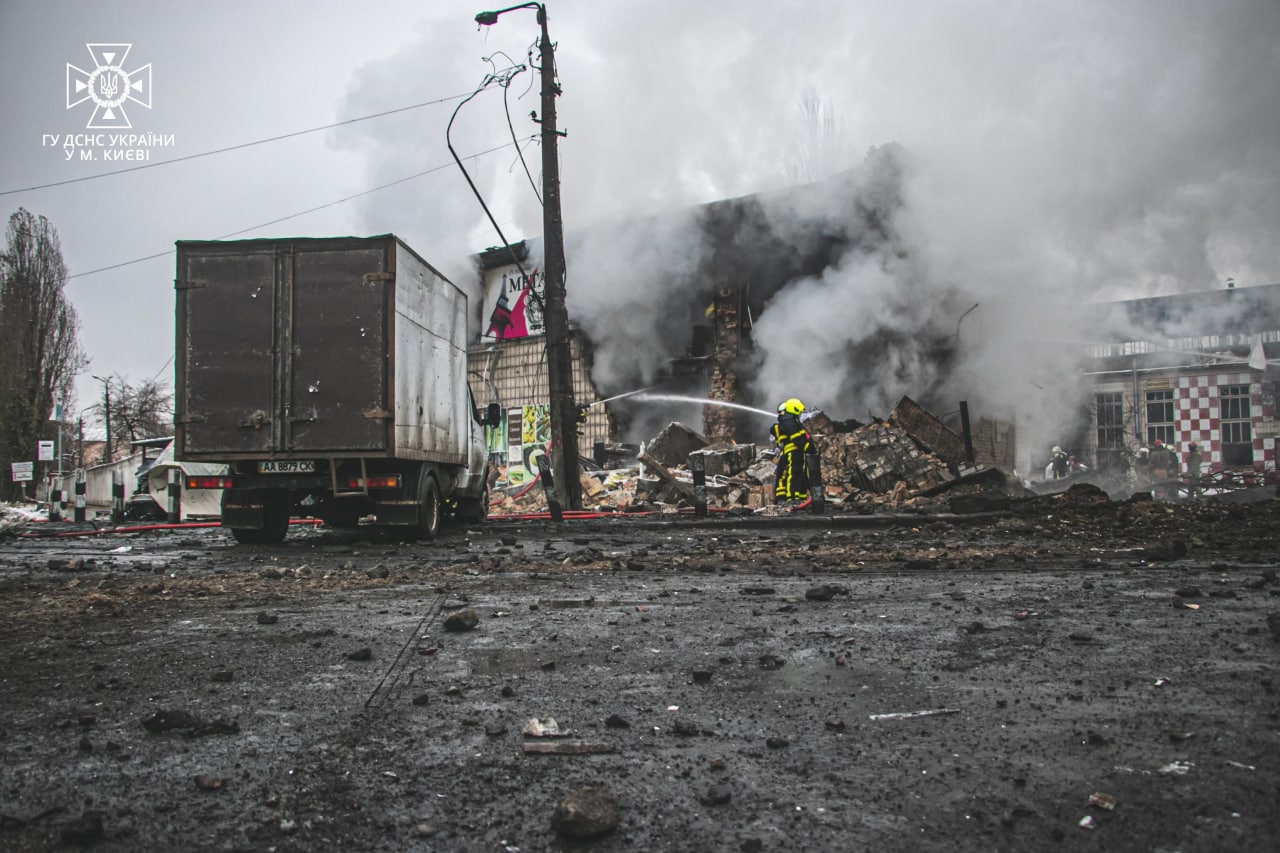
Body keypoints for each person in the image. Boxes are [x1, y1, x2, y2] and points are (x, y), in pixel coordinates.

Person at [771, 398, 813, 508]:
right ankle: (792, 499)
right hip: (793, 453)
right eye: (799, 412)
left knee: (800, 475)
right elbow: (797, 439)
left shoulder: (791, 422)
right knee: (794, 474)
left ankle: (799, 499)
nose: (800, 415)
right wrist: (809, 447)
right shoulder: (790, 423)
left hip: (795, 453)